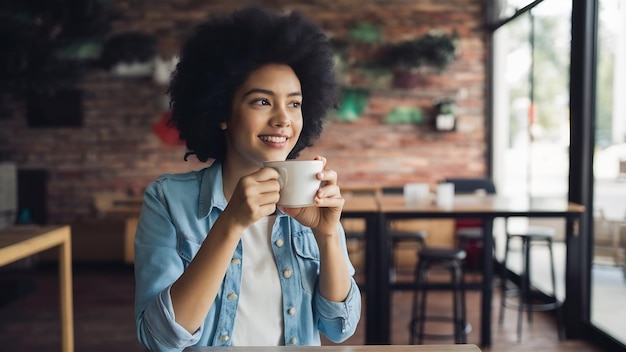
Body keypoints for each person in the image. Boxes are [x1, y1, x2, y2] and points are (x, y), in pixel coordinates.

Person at [133, 6, 361, 351]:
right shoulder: (167, 201)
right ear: (222, 112)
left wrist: (328, 235)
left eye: (294, 104)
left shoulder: (314, 202)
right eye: (262, 102)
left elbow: (339, 327)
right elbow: (159, 339)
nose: (283, 119)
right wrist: (231, 223)